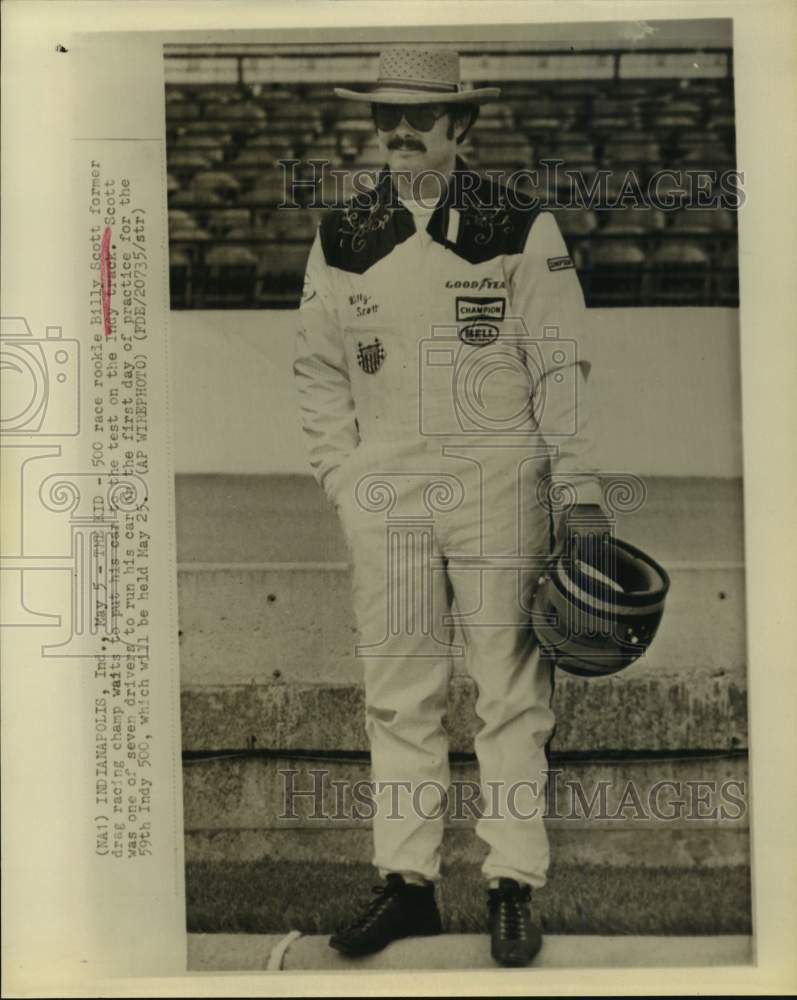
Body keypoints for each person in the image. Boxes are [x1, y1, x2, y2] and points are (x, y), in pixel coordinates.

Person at [294, 45, 609, 967]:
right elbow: (316, 369)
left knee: (509, 695)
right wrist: (342, 475)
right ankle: (408, 887)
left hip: (497, 483)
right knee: (399, 696)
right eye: (384, 114)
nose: (397, 130)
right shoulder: (343, 233)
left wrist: (579, 492)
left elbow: (560, 366)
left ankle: (511, 886)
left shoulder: (521, 225)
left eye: (418, 116)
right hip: (384, 490)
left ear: (460, 124)